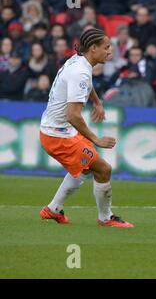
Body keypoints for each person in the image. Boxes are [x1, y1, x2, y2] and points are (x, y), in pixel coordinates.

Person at [39, 28, 134, 228]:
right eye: (106, 47)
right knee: (103, 169)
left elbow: (87, 84)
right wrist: (96, 139)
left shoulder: (78, 61)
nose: (110, 51)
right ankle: (105, 218)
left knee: (84, 169)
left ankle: (53, 209)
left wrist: (97, 102)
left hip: (57, 130)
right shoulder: (80, 71)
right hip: (58, 135)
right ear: (93, 48)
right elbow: (72, 115)